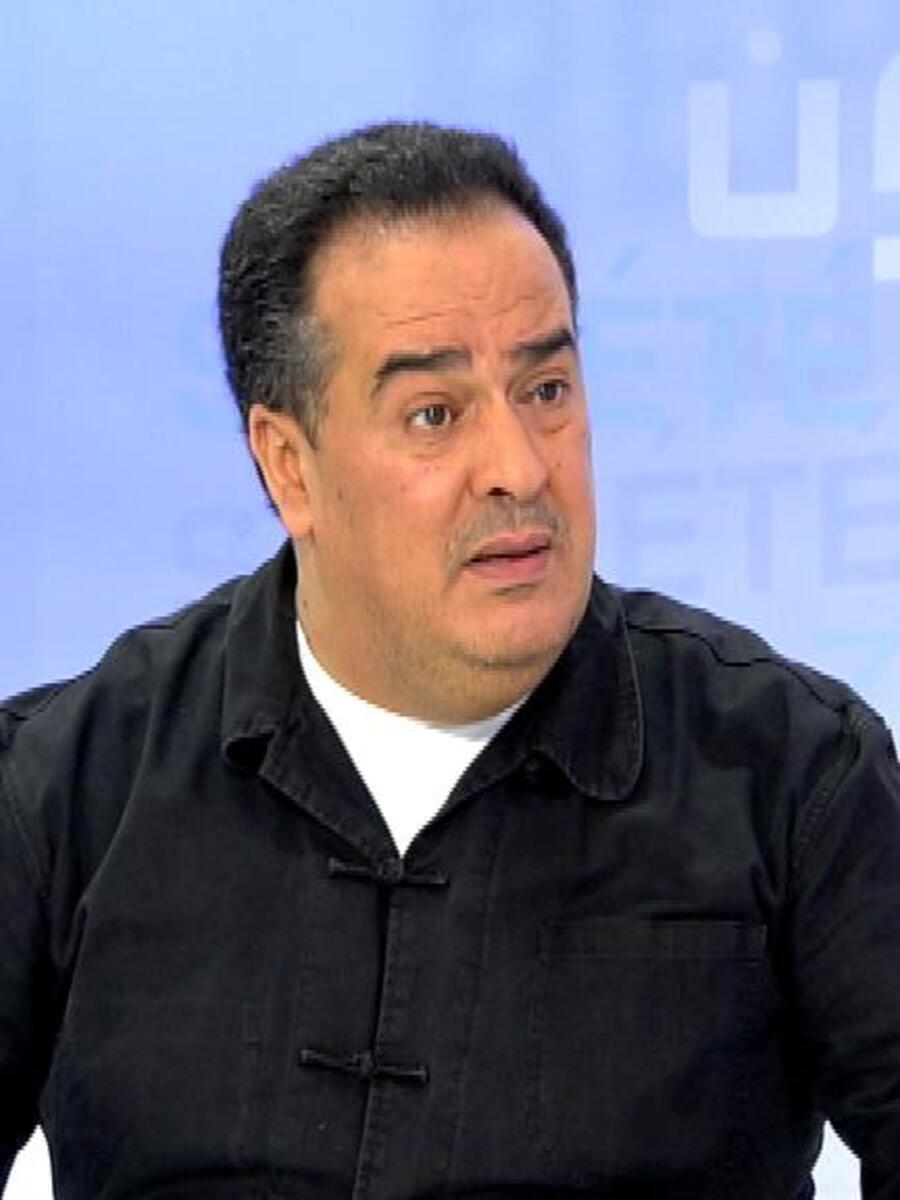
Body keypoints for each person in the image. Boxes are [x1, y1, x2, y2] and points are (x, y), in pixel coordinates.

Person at [1, 121, 898, 1200]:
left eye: (547, 390)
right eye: (435, 413)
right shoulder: (63, 789)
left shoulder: (794, 775)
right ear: (288, 467)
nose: (519, 467)